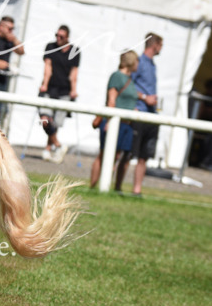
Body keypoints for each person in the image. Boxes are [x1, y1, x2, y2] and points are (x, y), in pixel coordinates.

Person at [89, 51, 140, 190]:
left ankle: (113, 187)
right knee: (104, 154)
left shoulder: (130, 79)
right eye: (136, 61)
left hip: (126, 125)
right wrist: (111, 121)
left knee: (118, 156)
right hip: (114, 122)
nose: (138, 64)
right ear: (131, 61)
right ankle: (93, 187)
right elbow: (112, 100)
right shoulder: (117, 76)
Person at [38, 25, 80, 162]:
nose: (58, 38)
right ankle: (58, 145)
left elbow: (74, 73)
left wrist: (74, 90)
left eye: (61, 36)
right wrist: (44, 84)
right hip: (49, 89)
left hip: (64, 91)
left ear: (67, 37)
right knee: (45, 120)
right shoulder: (50, 47)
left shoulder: (75, 51)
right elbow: (47, 67)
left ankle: (48, 149)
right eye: (57, 35)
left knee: (55, 124)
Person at [129, 33, 163, 196]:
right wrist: (144, 98)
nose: (161, 49)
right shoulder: (139, 62)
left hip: (151, 115)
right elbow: (128, 86)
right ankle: (115, 186)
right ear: (154, 44)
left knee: (144, 156)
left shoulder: (153, 65)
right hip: (139, 113)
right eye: (161, 45)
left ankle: (137, 190)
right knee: (128, 153)